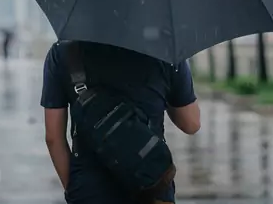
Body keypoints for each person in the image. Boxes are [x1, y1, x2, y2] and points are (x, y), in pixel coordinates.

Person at [41, 40, 201, 204]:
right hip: (152, 185)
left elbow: (53, 138)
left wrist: (74, 189)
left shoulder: (64, 51)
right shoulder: (167, 50)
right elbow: (191, 123)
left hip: (88, 190)